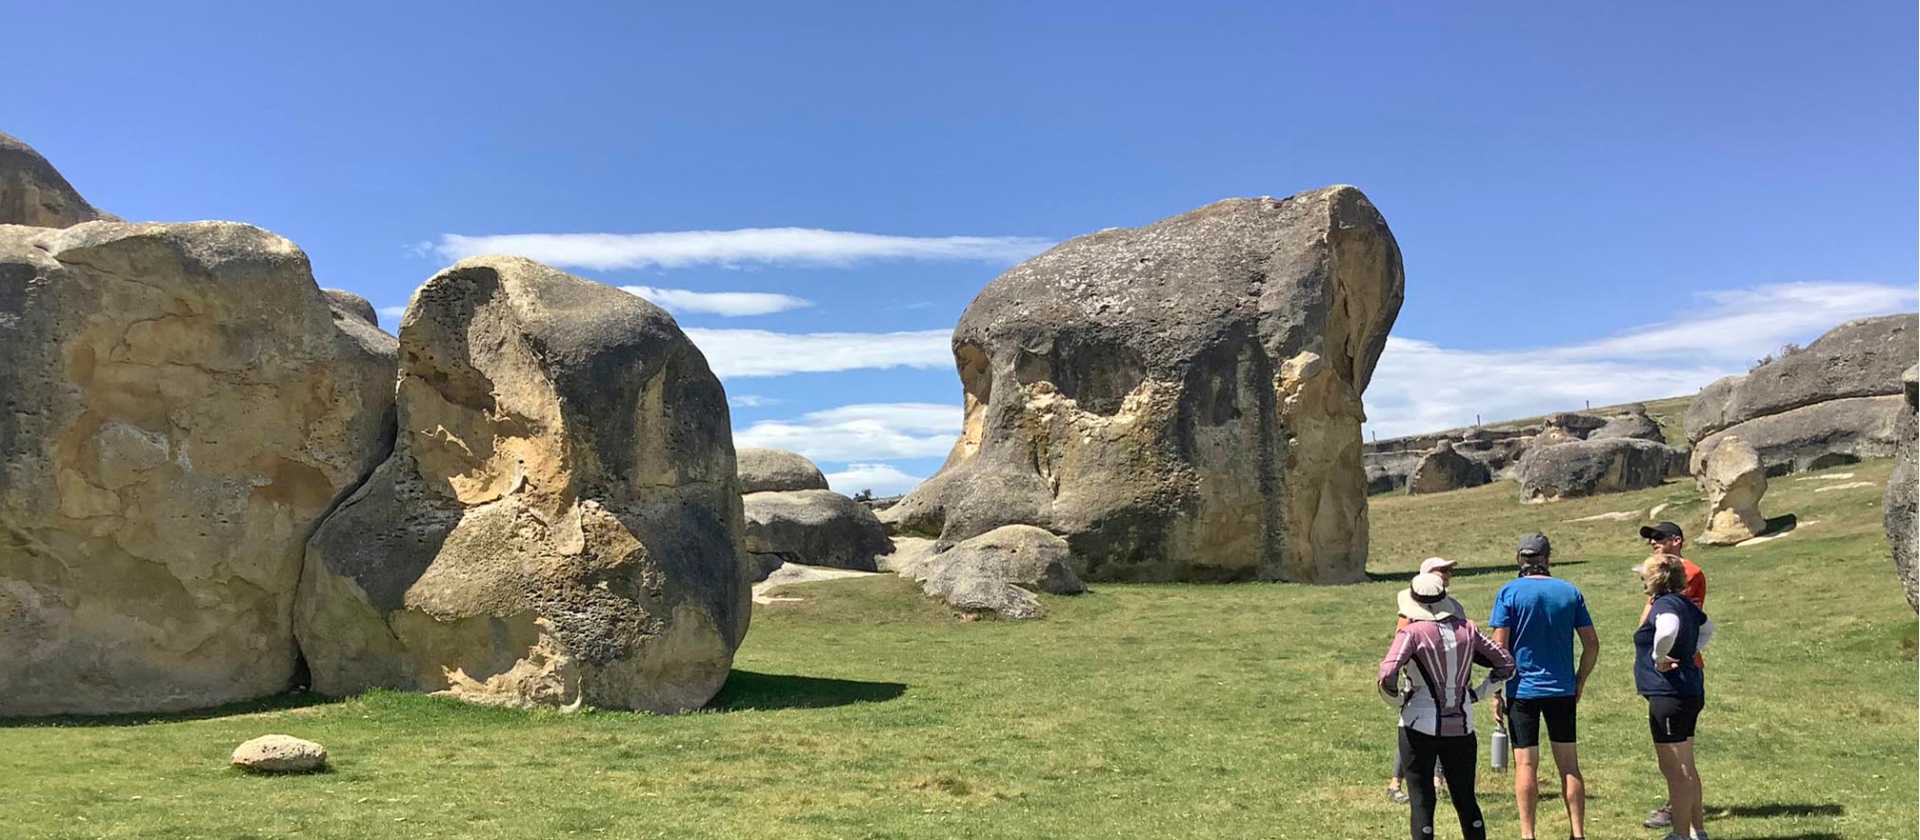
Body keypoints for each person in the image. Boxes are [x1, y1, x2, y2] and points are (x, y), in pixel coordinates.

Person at [1379, 572, 1514, 840]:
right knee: (1465, 800)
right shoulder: (1468, 629)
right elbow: (1506, 664)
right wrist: (1478, 693)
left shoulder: (1412, 633)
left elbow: (1387, 674)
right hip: (1462, 725)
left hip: (1417, 723)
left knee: (1422, 802)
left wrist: (1398, 699)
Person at [1487, 533, 1599, 840]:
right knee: (1569, 765)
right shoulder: (1568, 591)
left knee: (1525, 763)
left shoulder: (1508, 592)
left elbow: (1499, 648)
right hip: (1562, 689)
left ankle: (1528, 834)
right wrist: (1580, 679)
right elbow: (1591, 643)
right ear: (1548, 559)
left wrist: (1496, 692)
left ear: (1519, 560)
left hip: (1522, 691)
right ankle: (1578, 833)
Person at [1633, 554, 1716, 840]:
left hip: (1668, 694)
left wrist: (1658, 657)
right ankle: (1697, 830)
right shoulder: (1685, 604)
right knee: (1686, 764)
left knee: (1674, 768)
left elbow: (1667, 628)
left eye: (1643, 575)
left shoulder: (1665, 604)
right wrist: (1690, 649)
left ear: (1654, 578)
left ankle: (1680, 834)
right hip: (1689, 690)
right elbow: (1708, 629)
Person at [1387, 557, 1467, 804]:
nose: (1446, 574)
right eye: (1441, 570)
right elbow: (1400, 642)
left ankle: (1437, 780)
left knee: (1445, 726)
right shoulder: (1409, 609)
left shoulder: (1454, 606)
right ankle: (1396, 783)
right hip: (1420, 679)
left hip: (1448, 677)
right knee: (1412, 729)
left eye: (1448, 571)